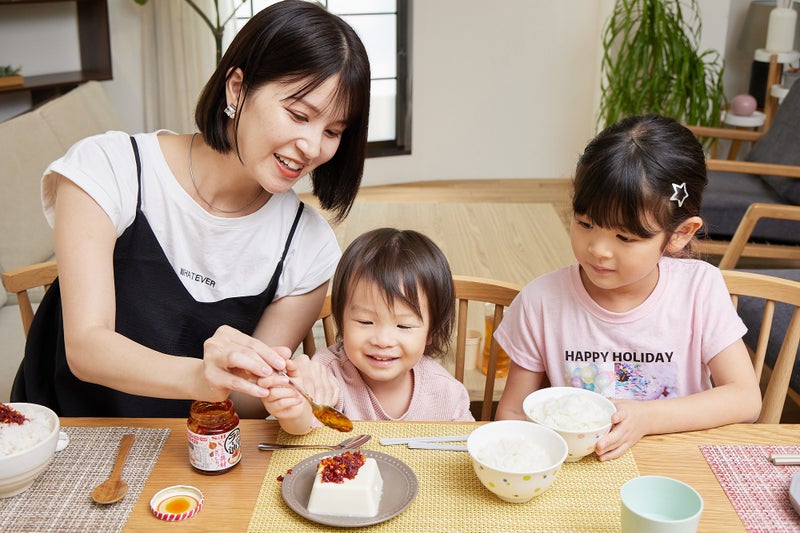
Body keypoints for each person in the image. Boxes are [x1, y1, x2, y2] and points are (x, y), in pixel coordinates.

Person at [10, 0, 371, 430]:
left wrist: (287, 393)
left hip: (195, 449)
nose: (312, 147)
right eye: (298, 114)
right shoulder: (110, 168)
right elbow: (86, 348)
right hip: (66, 435)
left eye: (332, 131)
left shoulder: (307, 245)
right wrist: (201, 374)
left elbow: (241, 398)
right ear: (237, 88)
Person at [494, 114, 762, 460]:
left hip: (679, 465)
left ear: (679, 234)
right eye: (585, 223)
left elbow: (745, 398)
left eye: (625, 236)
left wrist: (647, 418)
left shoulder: (699, 289)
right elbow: (513, 414)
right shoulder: (542, 301)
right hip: (584, 473)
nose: (598, 250)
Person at [266, 228, 474, 423]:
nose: (383, 340)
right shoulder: (329, 373)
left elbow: (467, 446)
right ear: (342, 320)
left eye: (403, 326)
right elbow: (302, 424)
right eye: (365, 321)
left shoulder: (446, 393)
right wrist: (291, 410)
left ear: (432, 331)